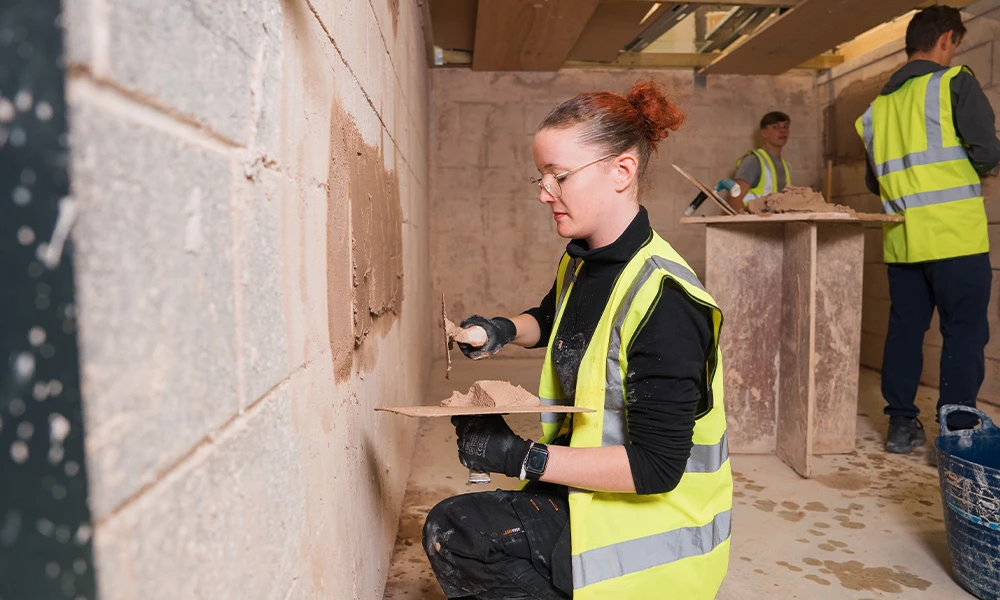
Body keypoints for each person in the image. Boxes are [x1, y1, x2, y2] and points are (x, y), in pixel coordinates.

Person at [422, 81, 733, 600]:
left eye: (559, 176)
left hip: (650, 536)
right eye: (541, 177)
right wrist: (500, 330)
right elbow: (554, 319)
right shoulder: (586, 259)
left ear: (622, 171)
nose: (544, 192)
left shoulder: (666, 301)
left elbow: (656, 467)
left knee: (457, 532)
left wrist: (521, 457)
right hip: (596, 492)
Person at [855, 5, 1000, 456]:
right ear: (946, 40)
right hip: (956, 236)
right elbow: (987, 151)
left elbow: (873, 181)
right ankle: (955, 434)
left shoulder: (875, 111)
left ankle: (901, 426)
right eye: (954, 45)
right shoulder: (954, 82)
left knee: (905, 331)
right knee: (964, 332)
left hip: (903, 242)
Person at [728, 111, 793, 211]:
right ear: (764, 133)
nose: (782, 131)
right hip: (754, 220)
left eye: (785, 127)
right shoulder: (754, 161)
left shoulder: (786, 166)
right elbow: (735, 200)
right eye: (775, 127)